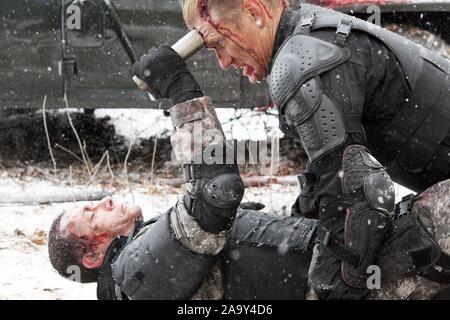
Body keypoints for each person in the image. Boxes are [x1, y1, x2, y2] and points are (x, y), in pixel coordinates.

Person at [131, 0, 450, 299]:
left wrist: (337, 283)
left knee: (393, 257)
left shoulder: (299, 62)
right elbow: (332, 179)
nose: (224, 61)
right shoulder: (312, 33)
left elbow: (364, 195)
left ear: (255, 13)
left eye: (220, 45)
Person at [48, 180, 450, 300]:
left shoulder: (142, 259)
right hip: (351, 284)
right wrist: (182, 94)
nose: (101, 202)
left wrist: (307, 205)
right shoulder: (131, 279)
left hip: (347, 269)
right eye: (89, 215)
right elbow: (213, 194)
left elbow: (256, 263)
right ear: (92, 254)